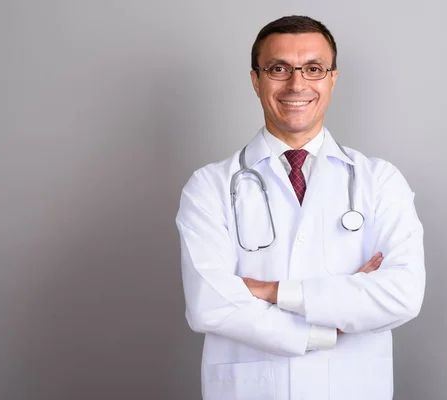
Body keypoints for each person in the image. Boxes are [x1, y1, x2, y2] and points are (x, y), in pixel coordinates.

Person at [175, 15, 425, 400]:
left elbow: (402, 294)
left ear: (332, 79)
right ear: (256, 79)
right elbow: (209, 304)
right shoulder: (209, 187)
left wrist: (272, 291)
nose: (297, 84)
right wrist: (324, 329)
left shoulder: (380, 181)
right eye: (279, 69)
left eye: (313, 68)